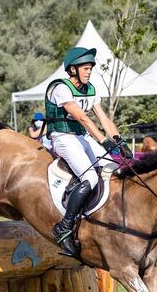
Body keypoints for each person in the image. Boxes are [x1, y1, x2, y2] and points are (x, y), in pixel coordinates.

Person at [44, 46, 130, 257]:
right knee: (90, 177)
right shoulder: (60, 88)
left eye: (90, 68)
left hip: (82, 137)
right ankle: (65, 227)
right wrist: (103, 141)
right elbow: (82, 117)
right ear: (72, 69)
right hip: (62, 137)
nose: (89, 71)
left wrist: (119, 141)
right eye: (85, 68)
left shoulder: (90, 89)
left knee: (113, 168)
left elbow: (103, 118)